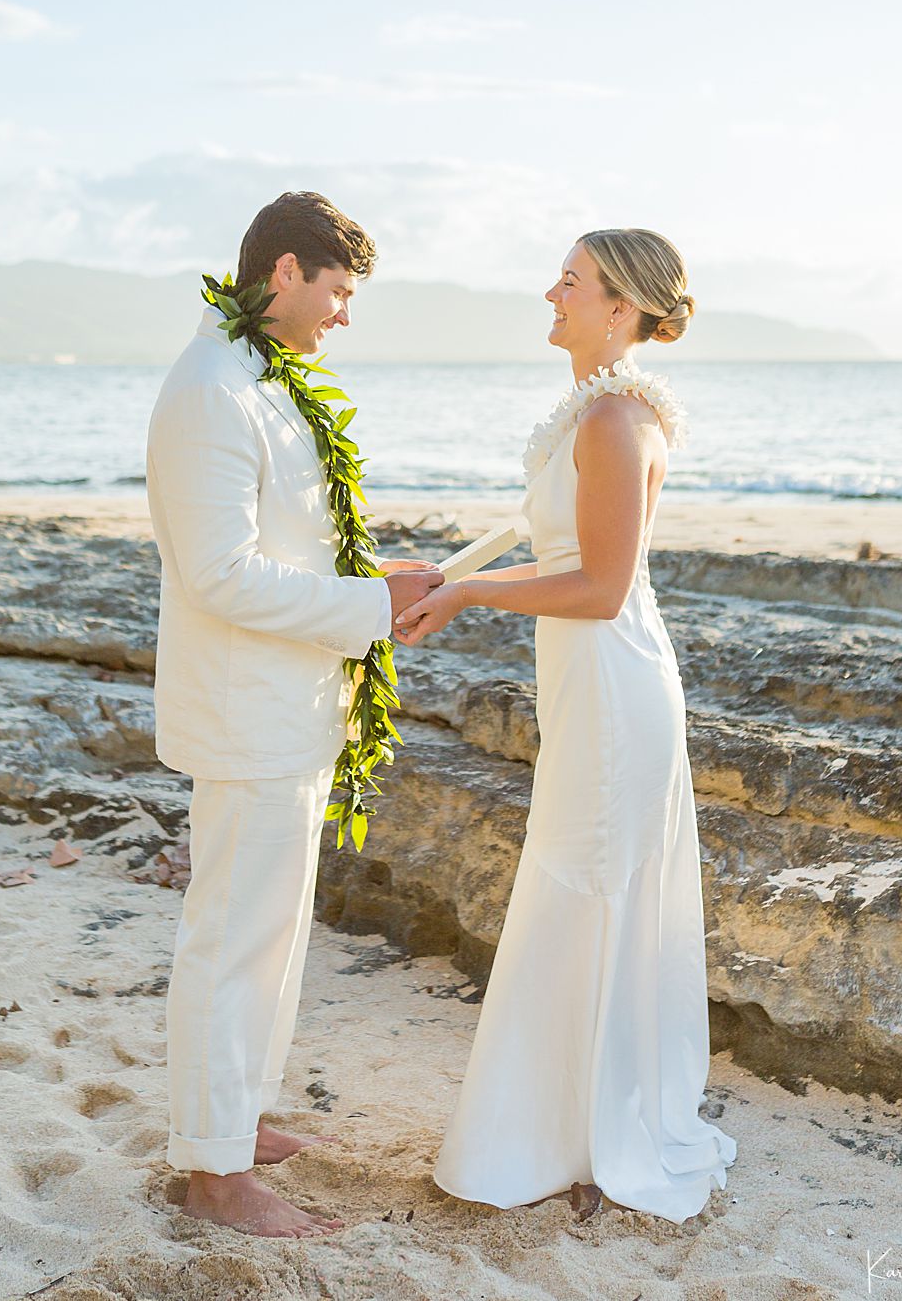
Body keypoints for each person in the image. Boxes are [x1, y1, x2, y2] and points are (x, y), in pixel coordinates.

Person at [394, 227, 737, 1224]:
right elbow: (553, 548)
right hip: (589, 686)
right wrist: (446, 574)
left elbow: (599, 585)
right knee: (579, 875)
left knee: (594, 881)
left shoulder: (618, 421)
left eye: (573, 281)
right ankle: (567, 1127)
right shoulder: (595, 413)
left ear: (621, 308)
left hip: (617, 682)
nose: (552, 290)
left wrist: (465, 600)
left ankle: (595, 1136)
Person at [147, 190, 443, 1239]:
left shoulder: (262, 380)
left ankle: (233, 1119)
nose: (344, 316)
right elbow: (221, 576)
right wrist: (371, 607)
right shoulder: (210, 393)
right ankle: (215, 1179)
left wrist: (383, 580)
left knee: (270, 934)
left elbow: (289, 550)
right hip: (245, 714)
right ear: (283, 273)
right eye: (338, 291)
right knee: (233, 938)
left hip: (293, 705)